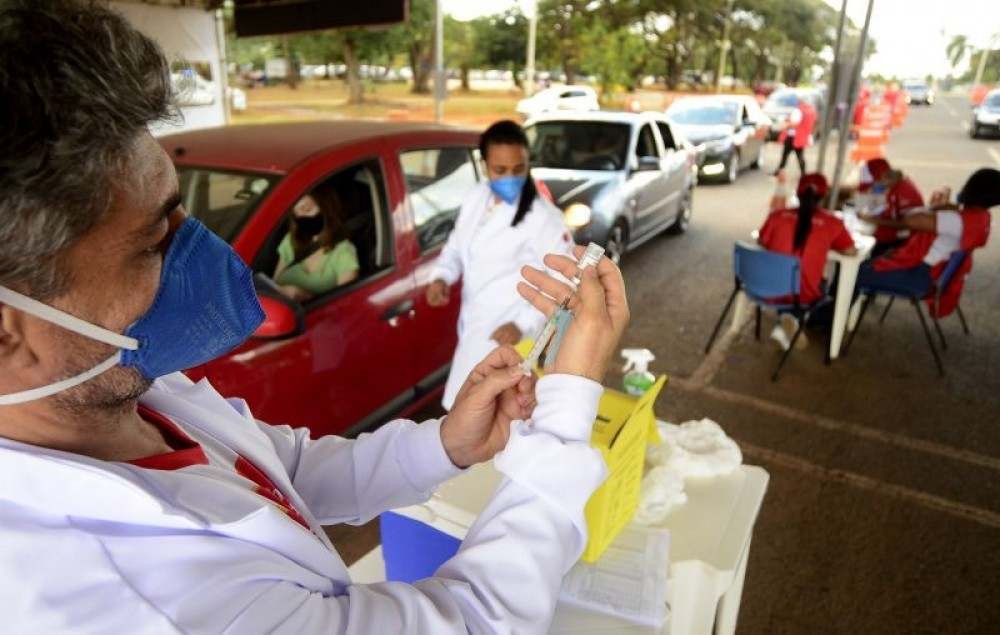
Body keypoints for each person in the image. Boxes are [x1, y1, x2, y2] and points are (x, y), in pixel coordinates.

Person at [0, 3, 630, 632]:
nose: (207, 256)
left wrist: (441, 445)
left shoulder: (127, 391)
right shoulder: (141, 601)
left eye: (181, 211)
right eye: (152, 241)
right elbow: (478, 620)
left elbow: (287, 470)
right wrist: (567, 408)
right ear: (8, 329)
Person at [426, 120, 575, 410]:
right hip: (475, 323)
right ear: (484, 166)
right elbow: (457, 246)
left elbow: (565, 282)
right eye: (500, 170)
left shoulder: (543, 217)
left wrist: (523, 323)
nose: (510, 178)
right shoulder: (476, 197)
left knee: (491, 414)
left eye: (519, 169)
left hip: (509, 332)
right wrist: (442, 276)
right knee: (465, 406)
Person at [857, 168, 999, 316]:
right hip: (931, 273)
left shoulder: (957, 219)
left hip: (918, 274)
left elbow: (909, 219)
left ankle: (835, 323)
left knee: (850, 275)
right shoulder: (981, 217)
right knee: (864, 263)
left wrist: (936, 207)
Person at [759, 173, 857, 349]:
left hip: (768, 287)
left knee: (792, 278)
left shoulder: (777, 216)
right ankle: (793, 320)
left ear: (797, 193)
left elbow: (762, 241)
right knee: (822, 285)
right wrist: (825, 245)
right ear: (824, 196)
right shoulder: (832, 223)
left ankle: (786, 323)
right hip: (804, 293)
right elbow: (851, 251)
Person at [272, 185, 359, 302]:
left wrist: (304, 296)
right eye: (296, 212)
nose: (301, 217)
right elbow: (274, 284)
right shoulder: (291, 241)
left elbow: (344, 306)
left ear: (326, 209)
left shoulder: (343, 252)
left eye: (307, 209)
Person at [853, 158, 925, 257]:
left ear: (884, 176)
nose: (872, 187)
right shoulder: (886, 186)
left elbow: (910, 224)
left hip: (900, 245)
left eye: (874, 183)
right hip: (880, 237)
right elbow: (864, 204)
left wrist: (873, 220)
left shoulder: (906, 191)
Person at [773, 94, 817, 176]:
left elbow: (794, 123)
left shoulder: (798, 110)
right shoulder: (811, 110)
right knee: (799, 155)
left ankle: (779, 171)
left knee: (786, 155)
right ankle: (803, 173)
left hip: (793, 136)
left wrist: (786, 125)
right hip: (802, 136)